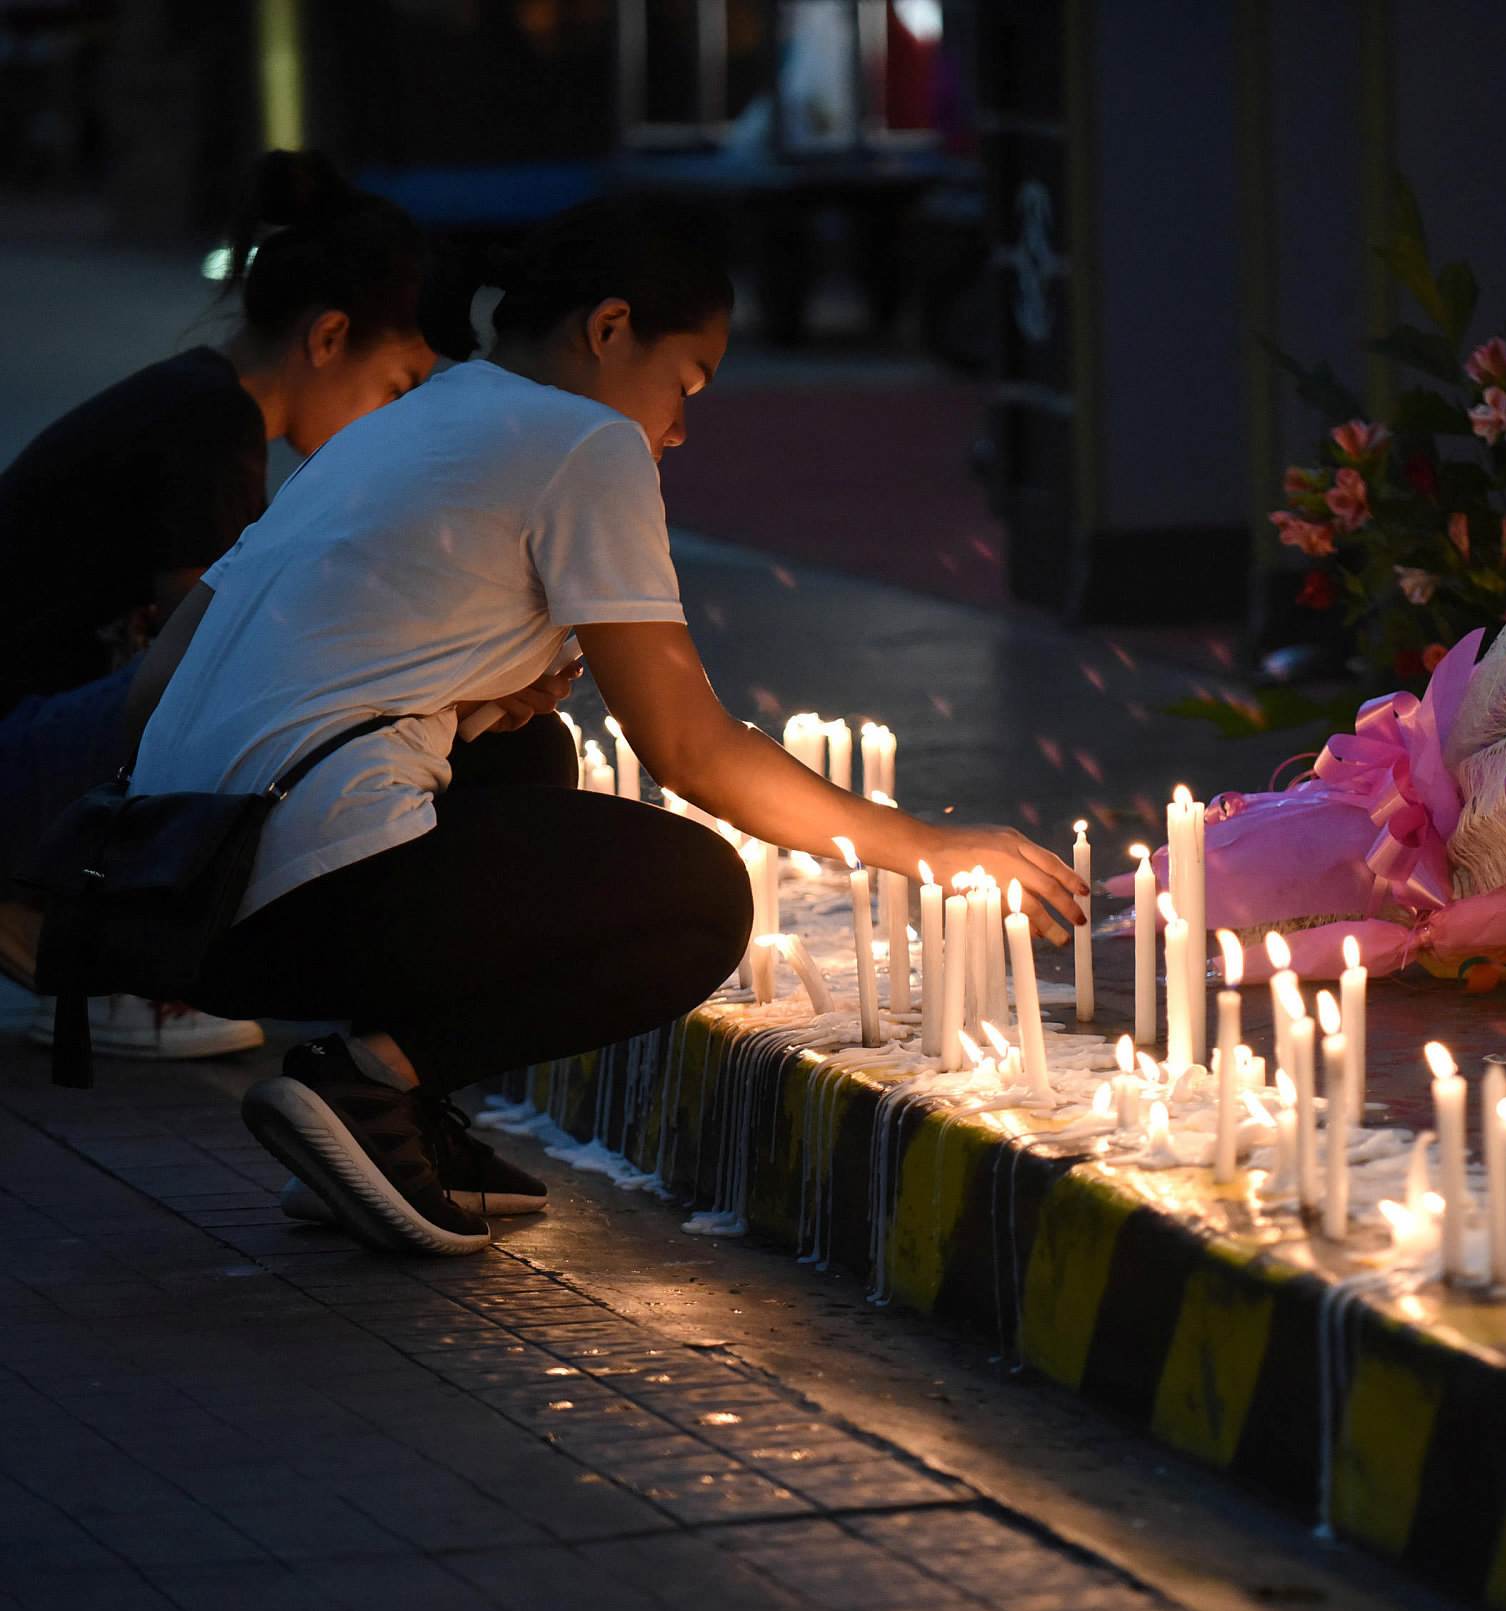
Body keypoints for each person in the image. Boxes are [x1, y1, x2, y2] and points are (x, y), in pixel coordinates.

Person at [124, 196, 1085, 1257]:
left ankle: (372, 1122)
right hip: (301, 898)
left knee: (527, 747)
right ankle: (365, 1084)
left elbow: (158, 671)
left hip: (172, 891)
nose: (677, 426)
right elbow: (691, 747)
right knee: (693, 895)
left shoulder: (406, 417)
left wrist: (459, 703)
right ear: (611, 327)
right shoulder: (583, 439)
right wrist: (928, 847)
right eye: (685, 383)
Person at [0, 149, 449, 1059]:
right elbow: (207, 652)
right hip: (15, 741)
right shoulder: (217, 428)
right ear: (327, 339)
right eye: (397, 389)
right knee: (241, 691)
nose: (392, 422)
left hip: (25, 725)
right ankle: (104, 957)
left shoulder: (198, 399)